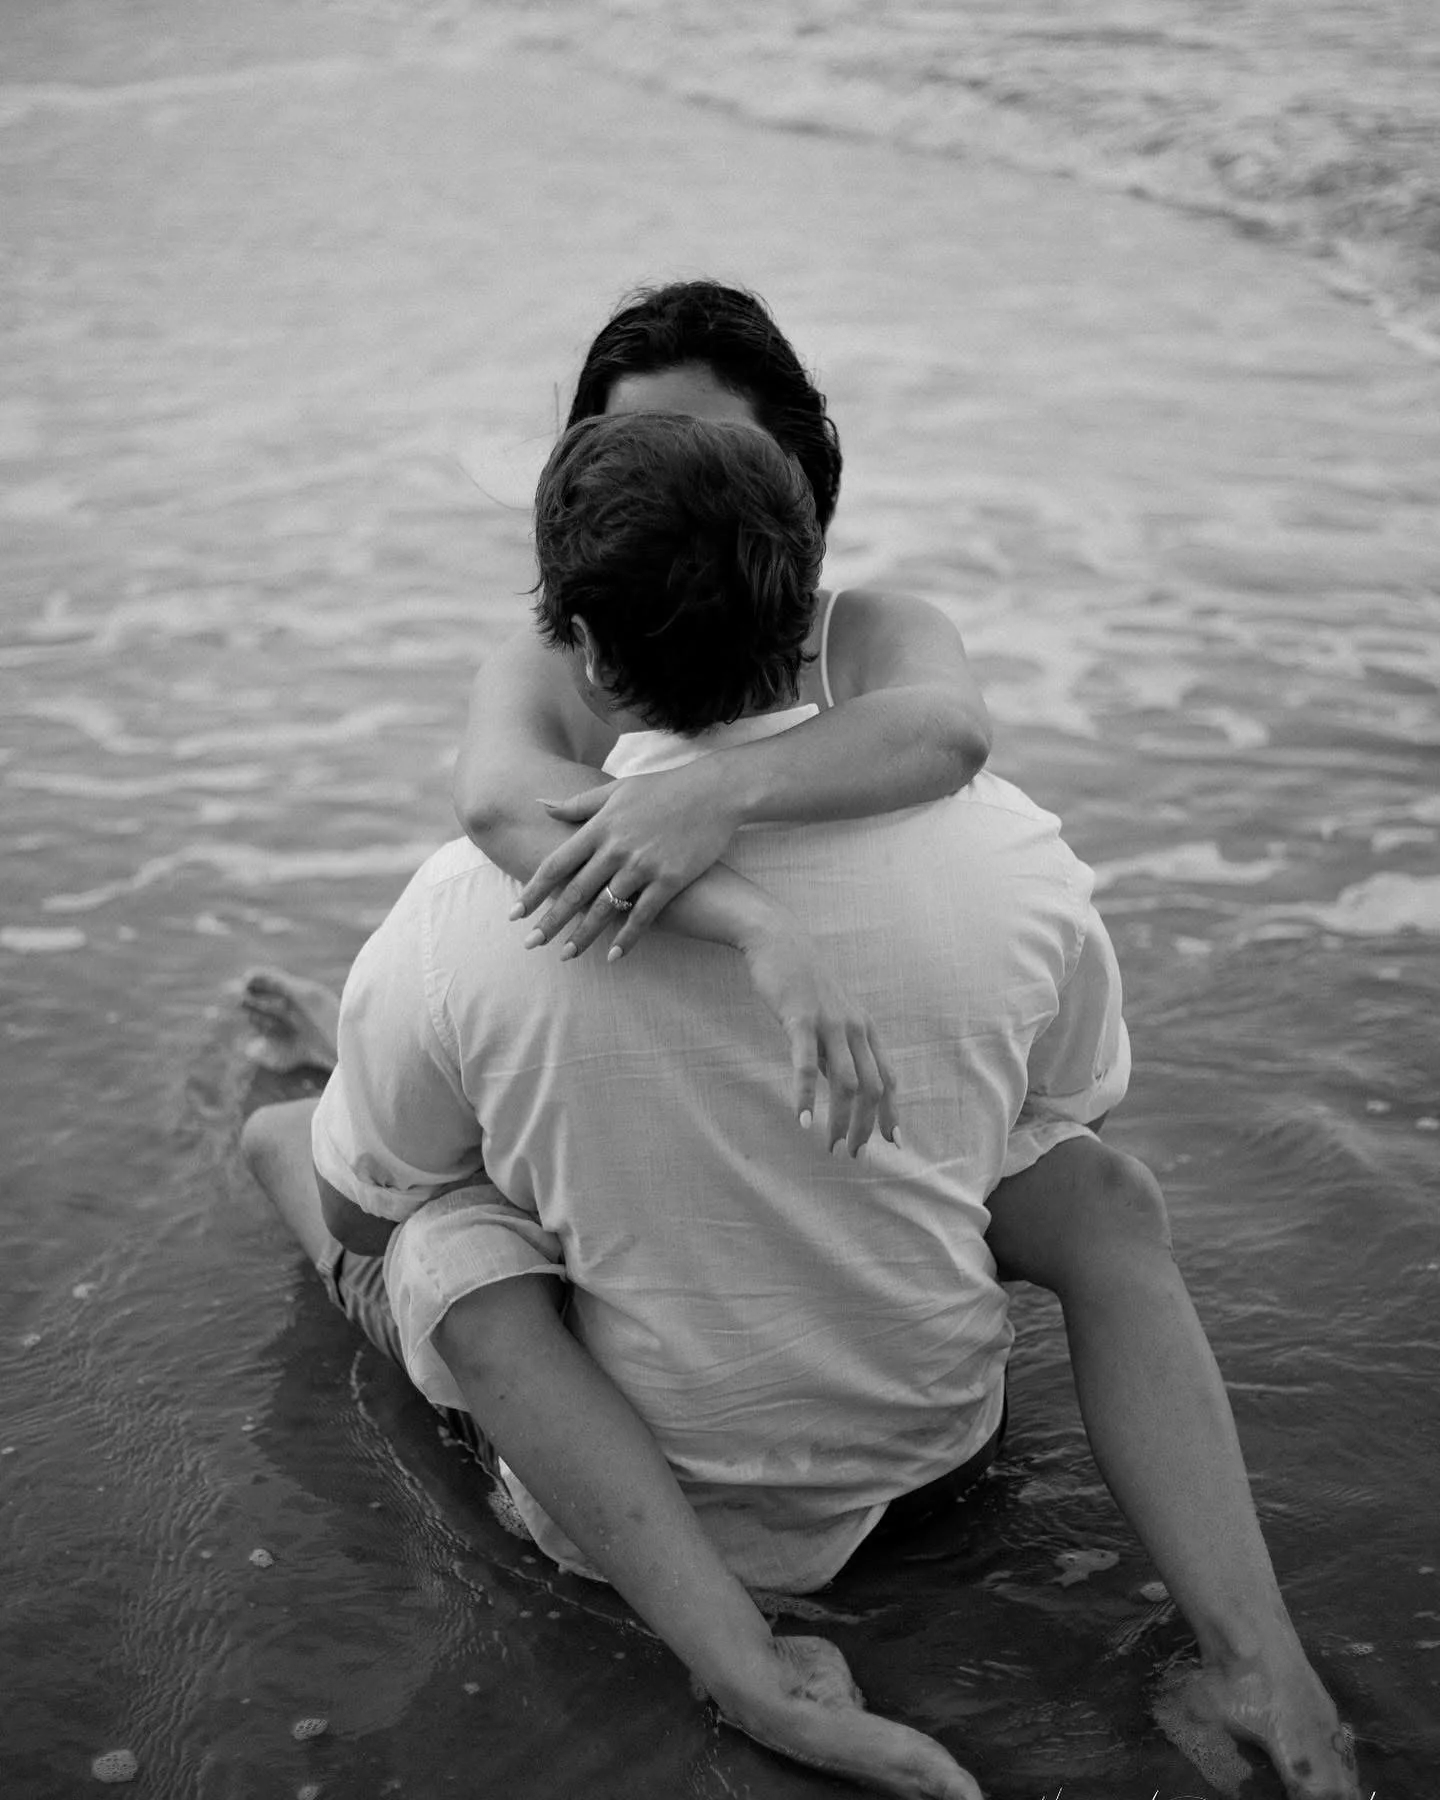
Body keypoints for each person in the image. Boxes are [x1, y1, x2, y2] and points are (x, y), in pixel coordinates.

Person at [242, 410, 1358, 1800]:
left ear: (584, 650)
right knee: (1082, 1176)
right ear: (809, 608)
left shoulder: (463, 913)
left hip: (630, 1527)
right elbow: (1072, 1101)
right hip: (936, 1459)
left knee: (381, 1198)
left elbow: (364, 1208)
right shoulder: (1012, 854)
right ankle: (1257, 1658)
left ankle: (312, 1087)